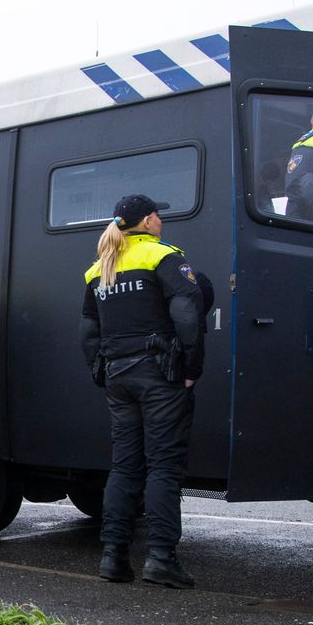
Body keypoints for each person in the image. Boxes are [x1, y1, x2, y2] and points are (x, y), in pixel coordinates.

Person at [82, 193, 214, 588]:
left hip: (119, 377)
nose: (161, 221)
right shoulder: (163, 257)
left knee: (124, 466)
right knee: (163, 467)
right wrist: (192, 369)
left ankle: (114, 558)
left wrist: (101, 372)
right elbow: (188, 314)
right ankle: (161, 559)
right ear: (149, 220)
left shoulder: (98, 269)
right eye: (158, 215)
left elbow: (89, 333)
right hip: (160, 376)